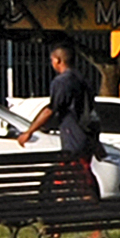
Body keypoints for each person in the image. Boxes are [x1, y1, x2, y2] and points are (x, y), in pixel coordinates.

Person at [28, 43, 105, 198]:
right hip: (87, 132)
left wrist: (29, 131)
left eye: (52, 60)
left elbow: (51, 109)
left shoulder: (62, 82)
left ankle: (80, 201)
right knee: (79, 169)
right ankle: (75, 200)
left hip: (73, 133)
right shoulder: (83, 79)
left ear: (58, 60)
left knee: (76, 169)